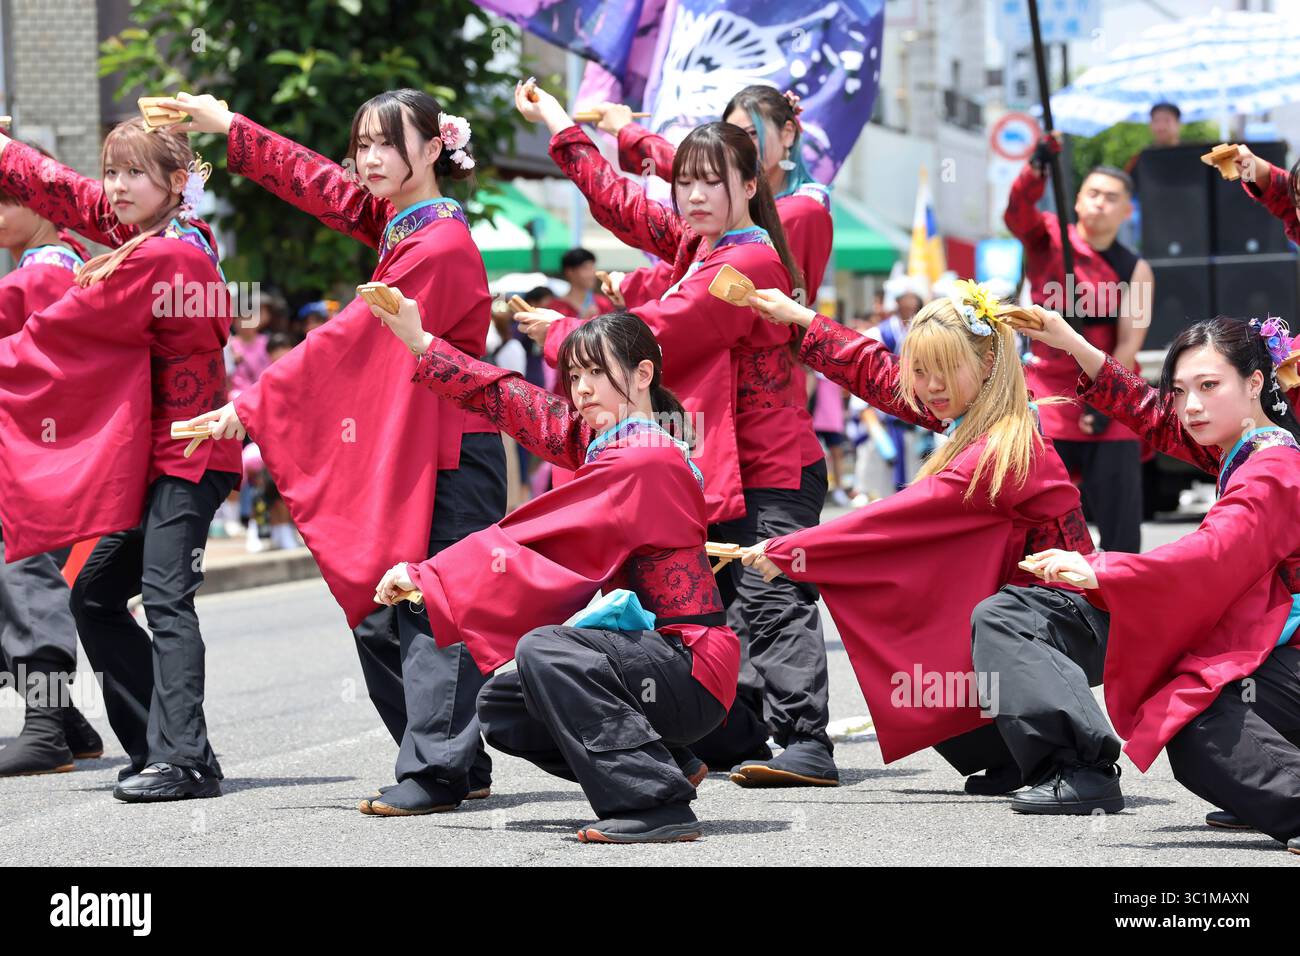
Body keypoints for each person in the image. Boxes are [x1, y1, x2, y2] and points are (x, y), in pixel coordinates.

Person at [173, 89, 506, 816]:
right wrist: (231, 125)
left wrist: (253, 405)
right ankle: (454, 758)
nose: (369, 158)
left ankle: (439, 767)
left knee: (427, 611)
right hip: (419, 445)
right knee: (379, 606)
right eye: (362, 144)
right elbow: (320, 186)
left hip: (452, 453)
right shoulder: (404, 228)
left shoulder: (439, 245)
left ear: (433, 149)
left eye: (388, 143)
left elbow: (350, 338)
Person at [515, 78, 838, 786]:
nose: (690, 195)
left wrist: (568, 332)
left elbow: (673, 327)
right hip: (717, 455)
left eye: (710, 181)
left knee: (772, 595)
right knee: (711, 608)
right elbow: (626, 201)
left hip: (773, 455)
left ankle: (808, 742)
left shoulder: (753, 254)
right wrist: (568, 126)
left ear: (756, 176)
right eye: (684, 182)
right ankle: (729, 741)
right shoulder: (704, 246)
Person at [372, 301, 739, 843]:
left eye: (597, 372)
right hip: (655, 662)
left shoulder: (642, 458)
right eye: (574, 375)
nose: (582, 388)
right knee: (504, 707)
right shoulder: (615, 442)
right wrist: (423, 342)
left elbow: (538, 541)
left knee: (545, 651)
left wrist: (428, 576)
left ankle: (657, 803)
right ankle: (667, 764)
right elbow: (520, 404)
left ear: (643, 374)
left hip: (688, 665)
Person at [740, 282, 1113, 809]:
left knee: (994, 618)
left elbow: (895, 521)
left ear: (988, 364)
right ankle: (1011, 753)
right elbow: (878, 372)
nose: (929, 386)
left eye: (944, 370)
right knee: (922, 642)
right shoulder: (971, 414)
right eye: (919, 370)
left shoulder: (1006, 448)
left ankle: (1086, 767)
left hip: (1075, 620)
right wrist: (801, 316)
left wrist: (794, 549)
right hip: (1033, 620)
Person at [0, 121, 243, 801]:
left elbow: (53, 335)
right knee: (96, 594)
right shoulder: (174, 236)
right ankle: (156, 747)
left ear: (172, 183)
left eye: (134, 173)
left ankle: (186, 761)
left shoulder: (165, 259)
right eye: (112, 172)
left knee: (166, 600)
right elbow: (74, 198)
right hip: (166, 455)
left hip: (189, 455)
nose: (116, 188)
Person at [1025, 313, 1300, 850]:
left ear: (1255, 383)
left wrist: (1101, 568)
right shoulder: (1249, 447)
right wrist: (1071, 342)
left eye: (1208, 386)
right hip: (1284, 648)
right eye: (1179, 390)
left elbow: (1212, 553)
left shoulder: (1271, 469)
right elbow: (1151, 416)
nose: (1190, 405)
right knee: (1201, 693)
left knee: (1192, 715)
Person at [0, 156, 102, 775]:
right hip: (31, 452)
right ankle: (64, 723)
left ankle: (45, 727)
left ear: (41, 204)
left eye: (5, 200)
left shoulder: (41, 278)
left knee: (22, 579)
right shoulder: (48, 269)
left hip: (31, 459)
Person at [1007, 141, 1153, 553]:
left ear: (1127, 210)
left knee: (1121, 530)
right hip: (1048, 401)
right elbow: (1017, 213)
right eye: (1093, 193)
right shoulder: (1048, 239)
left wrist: (1104, 402)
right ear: (1076, 200)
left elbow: (1129, 342)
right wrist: (1035, 170)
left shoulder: (1136, 269)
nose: (1100, 203)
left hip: (1109, 403)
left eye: (1112, 198)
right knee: (1034, 520)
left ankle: (1124, 609)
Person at [592, 85, 832, 306]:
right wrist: (625, 131)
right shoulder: (743, 205)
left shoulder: (802, 210)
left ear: (788, 134)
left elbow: (715, 273)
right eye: (732, 137)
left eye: (751, 134)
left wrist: (625, 130)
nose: (740, 147)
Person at [552, 247, 613, 320]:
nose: (592, 273)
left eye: (593, 267)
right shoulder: (556, 308)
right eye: (586, 268)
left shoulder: (603, 303)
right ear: (570, 272)